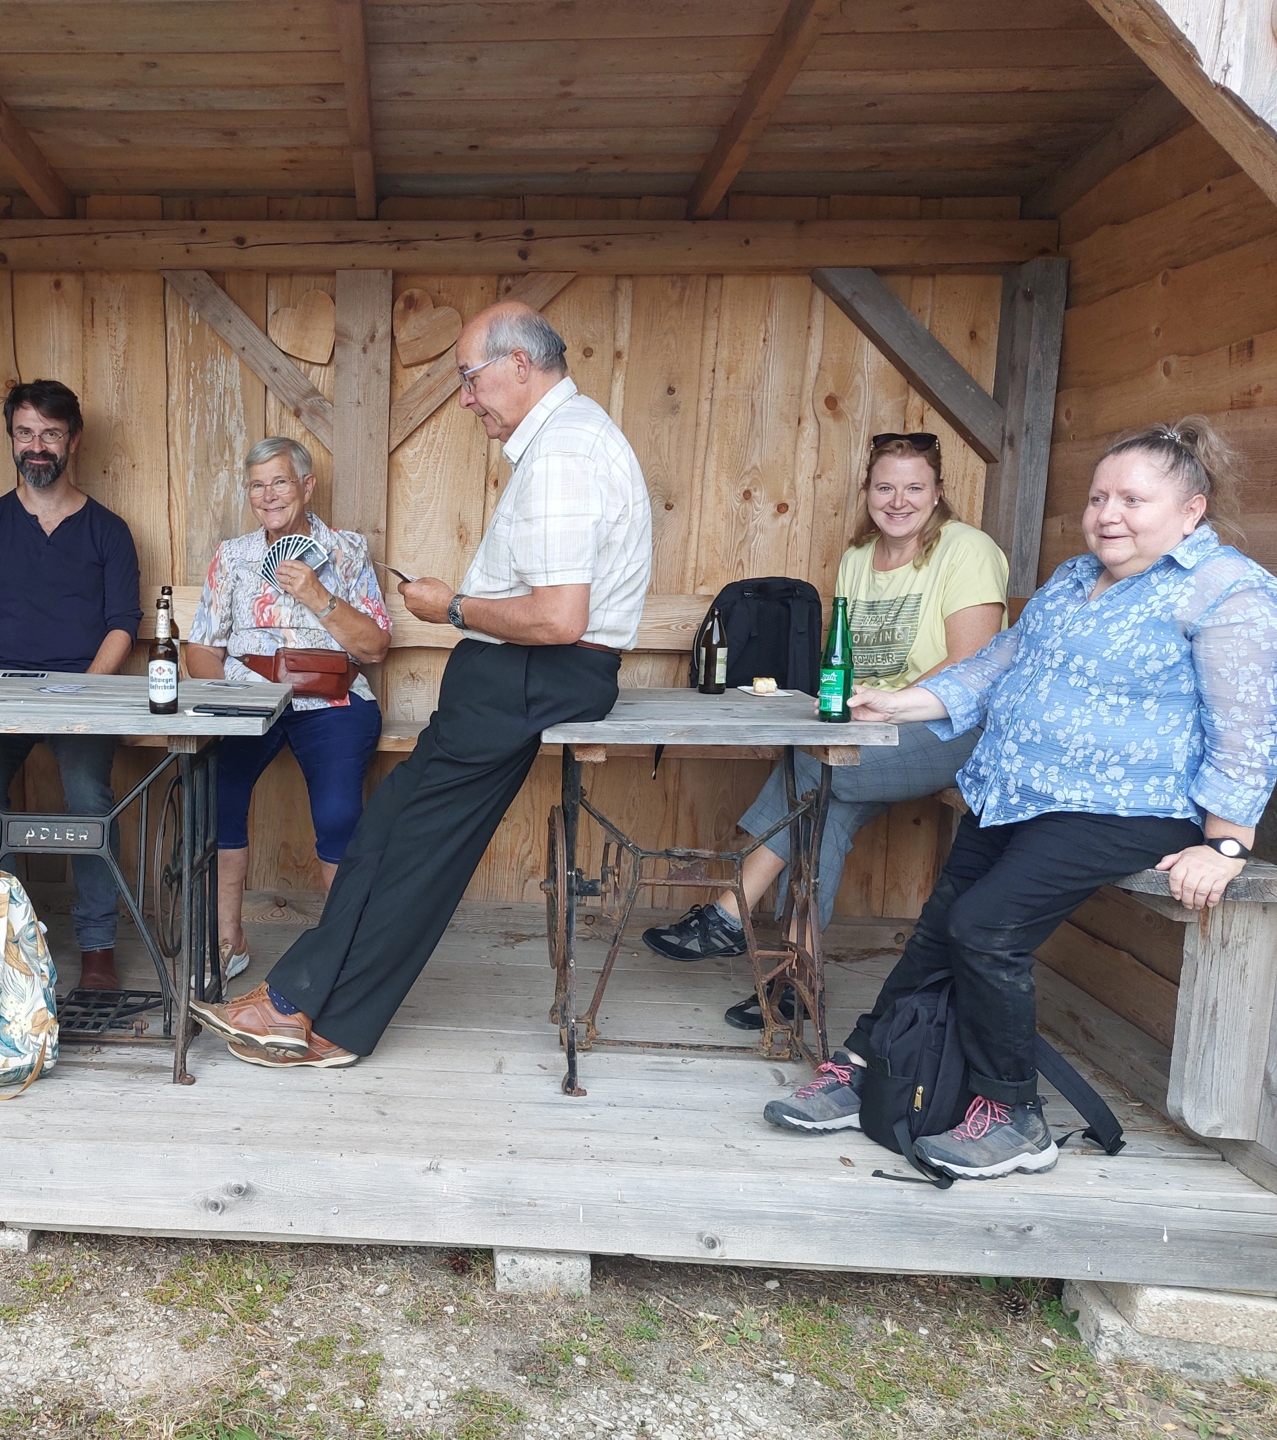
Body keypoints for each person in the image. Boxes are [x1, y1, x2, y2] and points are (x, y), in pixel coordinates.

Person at [765, 417, 1277, 1181]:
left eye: (1133, 500)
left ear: (1191, 510)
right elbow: (998, 662)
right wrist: (904, 704)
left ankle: (1014, 1117)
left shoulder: (1225, 590)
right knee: (939, 928)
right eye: (1100, 497)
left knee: (984, 929)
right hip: (1016, 792)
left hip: (1125, 807)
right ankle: (867, 1065)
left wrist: (1227, 842)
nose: (1109, 514)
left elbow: (1248, 724)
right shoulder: (1075, 579)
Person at [189, 302, 650, 1069]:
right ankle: (324, 1019)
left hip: (528, 673)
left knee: (400, 839)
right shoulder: (573, 439)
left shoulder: (566, 452)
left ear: (520, 366)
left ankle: (296, 1004)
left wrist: (452, 608)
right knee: (407, 842)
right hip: (527, 676)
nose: (467, 398)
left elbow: (560, 617)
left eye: (471, 379)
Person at [642, 434, 1009, 1025]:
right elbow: (849, 662)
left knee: (813, 767)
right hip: (876, 728)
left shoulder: (968, 550)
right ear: (867, 492)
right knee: (822, 808)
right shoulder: (859, 559)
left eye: (914, 488)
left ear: (938, 494)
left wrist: (886, 704)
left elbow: (974, 664)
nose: (898, 500)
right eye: (885, 487)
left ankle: (729, 913)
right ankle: (795, 983)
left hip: (954, 730)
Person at [0, 379, 142, 993]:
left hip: (81, 693)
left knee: (88, 795)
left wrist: (83, 694)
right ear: (12, 439)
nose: (38, 446)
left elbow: (123, 626)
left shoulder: (108, 530)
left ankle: (97, 949)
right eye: (26, 433)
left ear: (73, 441)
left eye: (50, 434)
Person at [184, 437, 391, 984]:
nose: (268, 494)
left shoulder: (345, 550)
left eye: (280, 481)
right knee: (218, 795)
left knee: (338, 811)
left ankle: (347, 952)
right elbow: (201, 647)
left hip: (331, 699)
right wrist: (233, 699)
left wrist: (316, 593)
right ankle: (229, 939)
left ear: (306, 486)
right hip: (251, 700)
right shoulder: (233, 556)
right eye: (257, 484)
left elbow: (372, 647)